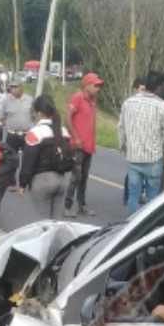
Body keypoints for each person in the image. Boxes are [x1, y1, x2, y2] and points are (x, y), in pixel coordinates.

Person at [118, 71, 164, 215]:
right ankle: (147, 229)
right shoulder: (162, 106)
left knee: (133, 196)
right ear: (159, 87)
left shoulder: (128, 103)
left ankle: (130, 226)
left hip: (133, 158)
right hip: (154, 159)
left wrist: (123, 146)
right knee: (152, 199)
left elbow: (121, 127)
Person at [19, 95, 74, 219]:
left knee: (43, 226)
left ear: (38, 113)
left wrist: (22, 184)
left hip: (42, 182)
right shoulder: (63, 131)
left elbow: (28, 162)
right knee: (56, 225)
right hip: (62, 181)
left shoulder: (35, 133)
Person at [65, 72, 103, 218]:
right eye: (95, 85)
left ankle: (82, 206)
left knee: (84, 177)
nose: (98, 88)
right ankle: (67, 206)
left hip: (89, 146)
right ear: (87, 85)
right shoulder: (78, 97)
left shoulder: (93, 100)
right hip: (78, 146)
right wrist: (75, 137)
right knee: (76, 176)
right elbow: (67, 118)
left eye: (99, 86)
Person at [0, 77, 34, 152]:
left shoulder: (30, 100)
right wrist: (9, 125)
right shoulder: (6, 100)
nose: (13, 89)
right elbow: (1, 117)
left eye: (15, 87)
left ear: (21, 87)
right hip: (12, 135)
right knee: (10, 157)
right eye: (11, 87)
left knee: (26, 158)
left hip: (26, 135)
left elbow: (34, 116)